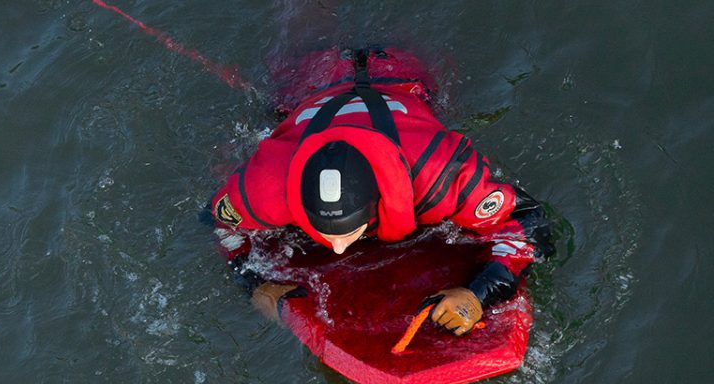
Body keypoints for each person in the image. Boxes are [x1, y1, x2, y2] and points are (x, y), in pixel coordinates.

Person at [210, 46, 553, 335]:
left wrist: (480, 294)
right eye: (324, 232)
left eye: (349, 232)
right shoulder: (266, 186)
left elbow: (527, 217)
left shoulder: (441, 176)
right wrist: (255, 284)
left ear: (378, 202)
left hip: (398, 74)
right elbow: (221, 223)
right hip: (310, 81)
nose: (339, 248)